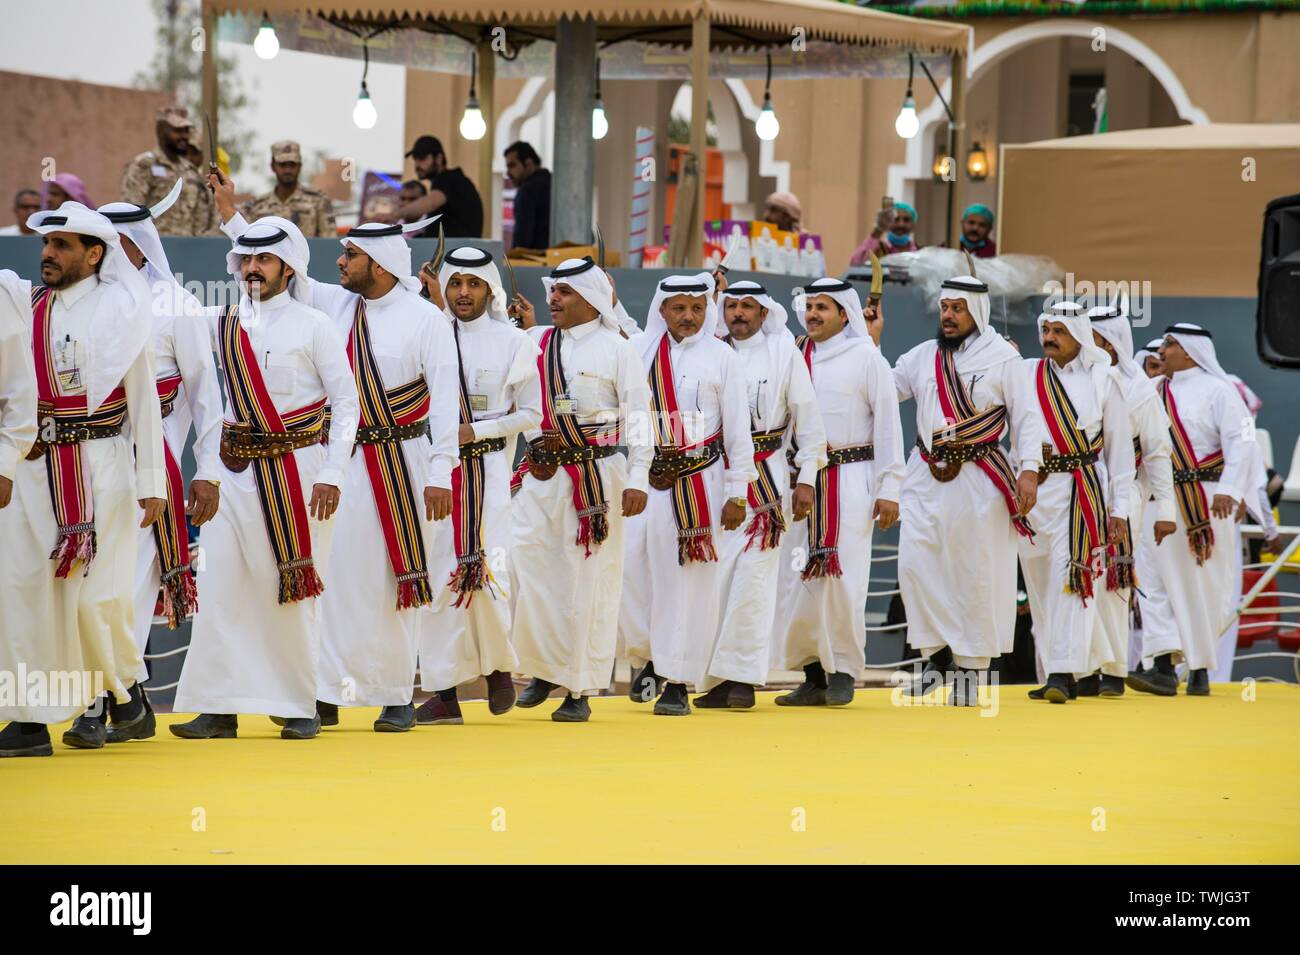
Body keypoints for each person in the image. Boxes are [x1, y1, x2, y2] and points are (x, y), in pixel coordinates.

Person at [209, 175, 455, 733]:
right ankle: (325, 693)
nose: (340, 261)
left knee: (396, 577)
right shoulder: (332, 304)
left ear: (382, 262)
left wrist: (443, 471)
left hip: (404, 463)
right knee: (335, 578)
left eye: (351, 253)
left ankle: (394, 694)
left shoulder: (427, 321)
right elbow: (279, 260)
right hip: (339, 464)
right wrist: (231, 216)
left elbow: (443, 406)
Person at [169, 210, 361, 741]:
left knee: (293, 587)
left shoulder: (316, 326)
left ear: (289, 267)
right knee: (222, 584)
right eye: (247, 259)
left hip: (300, 472)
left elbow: (347, 403)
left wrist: (334, 472)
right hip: (232, 473)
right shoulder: (221, 322)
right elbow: (165, 319)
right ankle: (217, 708)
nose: (253, 268)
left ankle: (300, 705)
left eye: (265, 259)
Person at [0, 203, 166, 757]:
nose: (48, 253)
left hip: (102, 467)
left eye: (63, 245)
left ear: (96, 254)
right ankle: (27, 722)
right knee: (25, 593)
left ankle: (126, 695)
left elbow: (144, 400)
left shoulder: (121, 312)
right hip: (32, 468)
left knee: (96, 602)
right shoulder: (26, 307)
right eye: (46, 244)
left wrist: (153, 482)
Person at [97, 184, 225, 741]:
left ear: (137, 246)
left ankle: (104, 701)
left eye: (108, 241)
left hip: (157, 478)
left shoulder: (180, 308)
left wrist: (208, 472)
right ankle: (127, 700)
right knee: (88, 590)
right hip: (84, 475)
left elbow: (208, 401)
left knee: (124, 590)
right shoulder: (81, 309)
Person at [511, 258, 653, 722]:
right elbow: (519, 401)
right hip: (541, 476)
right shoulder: (536, 341)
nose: (553, 300)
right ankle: (544, 670)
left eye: (564, 294)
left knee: (589, 582)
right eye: (553, 293)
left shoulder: (618, 349)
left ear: (590, 299)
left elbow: (639, 418)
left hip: (597, 477)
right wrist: (536, 445)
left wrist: (637, 479)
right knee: (530, 572)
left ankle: (580, 687)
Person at [893, 273, 1043, 705]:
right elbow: (885, 390)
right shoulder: (923, 356)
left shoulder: (1004, 359)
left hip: (981, 475)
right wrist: (869, 343)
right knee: (916, 565)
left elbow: (1026, 417)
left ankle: (970, 670)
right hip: (924, 471)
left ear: (976, 311)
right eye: (944, 308)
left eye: (957, 309)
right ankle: (935, 655)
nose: (949, 316)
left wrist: (1029, 469)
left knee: (973, 570)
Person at [414, 246, 541, 726]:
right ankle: (444, 691)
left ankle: (498, 669)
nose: (463, 293)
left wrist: (478, 431)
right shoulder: (431, 332)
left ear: (490, 289)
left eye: (473, 284)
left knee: (489, 574)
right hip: (435, 474)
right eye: (455, 284)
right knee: (439, 574)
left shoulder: (514, 342)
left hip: (486, 473)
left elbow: (532, 413)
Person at [620, 273, 756, 716]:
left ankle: (678, 680)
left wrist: (738, 493)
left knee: (690, 583)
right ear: (662, 310)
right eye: (679, 308)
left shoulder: (723, 357)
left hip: (701, 481)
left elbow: (738, 431)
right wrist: (637, 475)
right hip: (647, 478)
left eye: (697, 308)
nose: (688, 317)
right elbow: (631, 416)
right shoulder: (641, 352)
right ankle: (648, 659)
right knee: (634, 575)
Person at [773, 279, 904, 707]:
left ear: (844, 314)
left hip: (851, 480)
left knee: (844, 580)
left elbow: (888, 426)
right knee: (798, 580)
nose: (812, 314)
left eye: (823, 308)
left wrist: (890, 488)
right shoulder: (794, 353)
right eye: (809, 306)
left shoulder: (867, 358)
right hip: (800, 484)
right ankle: (812, 674)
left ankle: (844, 670)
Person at [698, 281, 826, 708]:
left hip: (766, 481)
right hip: (713, 477)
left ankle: (742, 681)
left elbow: (808, 422)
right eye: (730, 305)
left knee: (753, 583)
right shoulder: (710, 352)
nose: (737, 313)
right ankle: (712, 678)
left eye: (746, 306)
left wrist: (807, 476)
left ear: (763, 313)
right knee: (713, 580)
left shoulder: (783, 354)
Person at [1127, 325, 1255, 697]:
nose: (1161, 350)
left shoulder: (1221, 391)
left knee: (1202, 586)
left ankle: (1198, 669)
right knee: (1153, 582)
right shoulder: (1152, 391)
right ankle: (1163, 667)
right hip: (1160, 498)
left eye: (1169, 344)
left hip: (1206, 498)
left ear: (1189, 351)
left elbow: (1242, 443)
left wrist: (1230, 489)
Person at [1019, 302, 1135, 704]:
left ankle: (1061, 672)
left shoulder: (1106, 380)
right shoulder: (1025, 374)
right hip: (1030, 494)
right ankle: (1059, 667)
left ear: (1079, 335)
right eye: (1046, 330)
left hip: (1080, 491)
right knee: (1038, 585)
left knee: (1073, 578)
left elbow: (1119, 454)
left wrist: (1119, 508)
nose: (1049, 338)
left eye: (1059, 331)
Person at [1086, 302, 1176, 697]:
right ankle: (1081, 666)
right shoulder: (1076, 380)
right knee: (1077, 577)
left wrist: (1167, 510)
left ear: (1108, 342)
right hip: (1075, 492)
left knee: (1112, 581)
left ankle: (1113, 669)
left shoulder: (1139, 388)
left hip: (1123, 497)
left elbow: (1157, 452)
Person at [121, 106, 217, 236]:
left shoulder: (190, 171)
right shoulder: (144, 165)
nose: (184, 136)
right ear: (161, 131)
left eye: (186, 130)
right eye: (177, 131)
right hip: (156, 248)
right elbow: (131, 214)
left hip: (190, 250)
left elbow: (206, 216)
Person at [240, 140, 337, 238]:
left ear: (299, 166)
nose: (287, 170)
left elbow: (328, 242)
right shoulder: (257, 207)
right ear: (273, 166)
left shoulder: (319, 201)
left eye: (292, 165)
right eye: (282, 165)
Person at [397, 135, 484, 238]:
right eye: (415, 159)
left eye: (422, 158)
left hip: (456, 250)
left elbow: (432, 201)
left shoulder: (449, 179)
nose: (417, 164)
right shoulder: (449, 181)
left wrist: (394, 214)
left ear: (438, 158)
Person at [504, 141, 551, 251]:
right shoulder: (554, 184)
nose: (508, 172)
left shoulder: (528, 191)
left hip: (534, 262)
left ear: (529, 163)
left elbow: (522, 240)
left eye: (512, 165)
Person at [850, 202, 918, 265]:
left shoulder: (919, 252)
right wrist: (878, 230)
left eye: (906, 220)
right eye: (895, 219)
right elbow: (856, 264)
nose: (900, 224)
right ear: (888, 221)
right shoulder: (877, 249)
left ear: (913, 225)